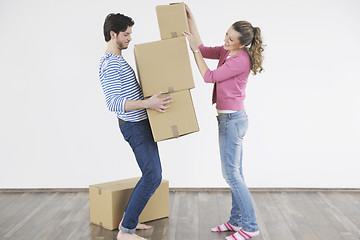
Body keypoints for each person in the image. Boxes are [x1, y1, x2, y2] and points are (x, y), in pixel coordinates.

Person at [182, 5, 264, 240]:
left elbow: (209, 77)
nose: (225, 40)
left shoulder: (240, 60)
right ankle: (236, 220)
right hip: (230, 119)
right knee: (235, 172)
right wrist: (191, 20)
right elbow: (202, 47)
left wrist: (194, 52)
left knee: (231, 175)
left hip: (232, 120)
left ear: (242, 43)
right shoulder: (229, 52)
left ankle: (249, 226)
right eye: (226, 35)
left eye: (230, 39)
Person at [98, 13, 172, 240]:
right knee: (152, 176)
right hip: (134, 127)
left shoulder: (119, 60)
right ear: (113, 35)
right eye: (126, 34)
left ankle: (128, 219)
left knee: (152, 174)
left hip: (141, 124)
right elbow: (113, 103)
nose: (130, 38)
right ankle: (126, 230)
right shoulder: (111, 64)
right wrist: (148, 103)